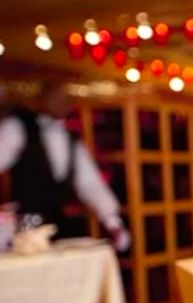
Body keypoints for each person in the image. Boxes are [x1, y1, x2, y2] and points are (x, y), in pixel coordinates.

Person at [0, 81, 130, 250]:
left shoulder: (72, 141)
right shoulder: (17, 128)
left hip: (58, 225)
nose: (61, 101)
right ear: (40, 100)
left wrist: (113, 222)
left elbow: (90, 184)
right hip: (22, 230)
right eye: (55, 97)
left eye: (64, 97)